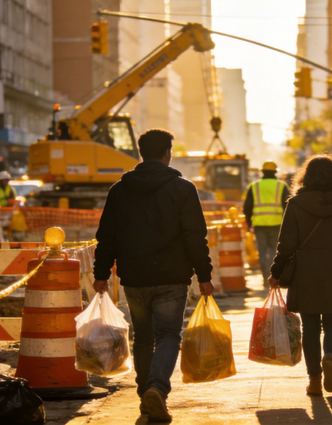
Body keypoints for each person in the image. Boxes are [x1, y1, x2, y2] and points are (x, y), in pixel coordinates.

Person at [93, 128, 214, 423]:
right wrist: (204, 275)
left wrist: (101, 274)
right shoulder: (183, 189)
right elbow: (194, 237)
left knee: (143, 337)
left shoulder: (119, 190)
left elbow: (106, 236)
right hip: (172, 277)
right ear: (167, 153)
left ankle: (145, 395)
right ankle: (157, 390)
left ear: (140, 153)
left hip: (134, 277)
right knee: (169, 335)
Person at [269, 155, 332, 397]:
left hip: (306, 271)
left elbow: (286, 244)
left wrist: (276, 272)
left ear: (306, 176)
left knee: (310, 327)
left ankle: (314, 380)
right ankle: (331, 357)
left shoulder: (295, 204)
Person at [243, 161, 290, 284]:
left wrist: (249, 223)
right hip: (277, 224)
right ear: (275, 172)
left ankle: (265, 278)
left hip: (259, 224)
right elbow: (288, 206)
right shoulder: (282, 186)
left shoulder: (254, 186)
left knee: (262, 252)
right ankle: (274, 277)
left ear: (262, 172)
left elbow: (247, 207)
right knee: (275, 252)